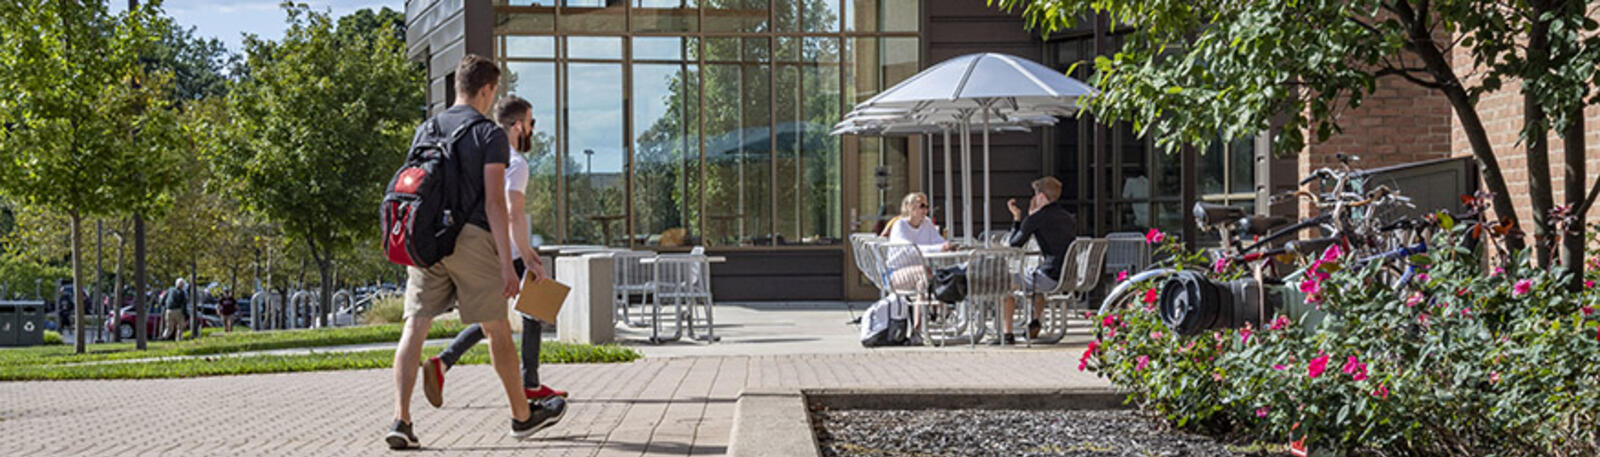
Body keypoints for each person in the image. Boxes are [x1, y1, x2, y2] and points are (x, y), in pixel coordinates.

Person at [386, 55, 554, 450]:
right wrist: (507, 265)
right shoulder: (488, 134)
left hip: (427, 241)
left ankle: (401, 420)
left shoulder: (427, 128)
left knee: (414, 327)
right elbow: (496, 204)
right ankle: (521, 416)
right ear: (487, 90)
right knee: (498, 329)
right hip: (471, 240)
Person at [421, 95, 568, 412]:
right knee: (529, 310)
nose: (532, 129)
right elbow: (513, 211)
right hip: (507, 248)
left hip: (480, 245)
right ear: (517, 126)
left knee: (496, 317)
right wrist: (526, 253)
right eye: (531, 122)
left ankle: (445, 362)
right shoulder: (516, 163)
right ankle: (528, 386)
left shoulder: (484, 156)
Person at [998, 176, 1076, 345]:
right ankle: (1034, 321)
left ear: (1041, 196)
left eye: (1035, 194)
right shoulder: (1068, 217)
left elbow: (1014, 243)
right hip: (1067, 276)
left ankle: (1007, 333)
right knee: (1035, 280)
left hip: (1048, 277)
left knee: (1005, 282)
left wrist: (1018, 218)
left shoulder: (1038, 217)